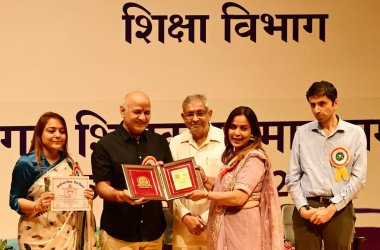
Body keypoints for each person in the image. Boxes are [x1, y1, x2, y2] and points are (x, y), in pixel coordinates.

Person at [185, 106, 283, 250]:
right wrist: (205, 180)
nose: (237, 133)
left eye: (243, 128)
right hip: (229, 226)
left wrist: (205, 195)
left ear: (252, 133)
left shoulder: (254, 159)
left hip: (243, 228)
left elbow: (239, 197)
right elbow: (225, 191)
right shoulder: (235, 156)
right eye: (233, 127)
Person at [285, 81, 367, 250]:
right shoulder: (302, 133)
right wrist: (302, 208)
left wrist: (331, 208)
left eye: (322, 103)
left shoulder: (355, 134)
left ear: (335, 103)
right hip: (307, 208)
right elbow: (292, 177)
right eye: (312, 105)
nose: (316, 110)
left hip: (339, 210)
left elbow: (358, 179)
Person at [91, 90, 173, 250]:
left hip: (153, 234)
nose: (143, 117)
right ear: (122, 111)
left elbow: (170, 184)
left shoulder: (160, 142)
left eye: (147, 112)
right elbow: (101, 187)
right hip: (118, 236)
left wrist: (165, 177)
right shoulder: (105, 145)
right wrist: (120, 195)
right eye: (137, 112)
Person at [9, 112, 96, 250]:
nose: (57, 135)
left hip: (69, 235)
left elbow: (75, 195)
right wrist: (37, 206)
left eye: (62, 131)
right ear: (39, 134)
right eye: (51, 131)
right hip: (36, 238)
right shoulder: (27, 163)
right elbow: (14, 201)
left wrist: (87, 194)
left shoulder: (70, 162)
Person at [169, 94, 225, 249]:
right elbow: (170, 189)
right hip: (184, 226)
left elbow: (228, 187)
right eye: (189, 114)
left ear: (210, 114)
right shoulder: (175, 144)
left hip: (218, 221)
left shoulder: (226, 141)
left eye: (200, 113)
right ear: (183, 117)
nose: (195, 118)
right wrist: (185, 216)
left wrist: (205, 218)